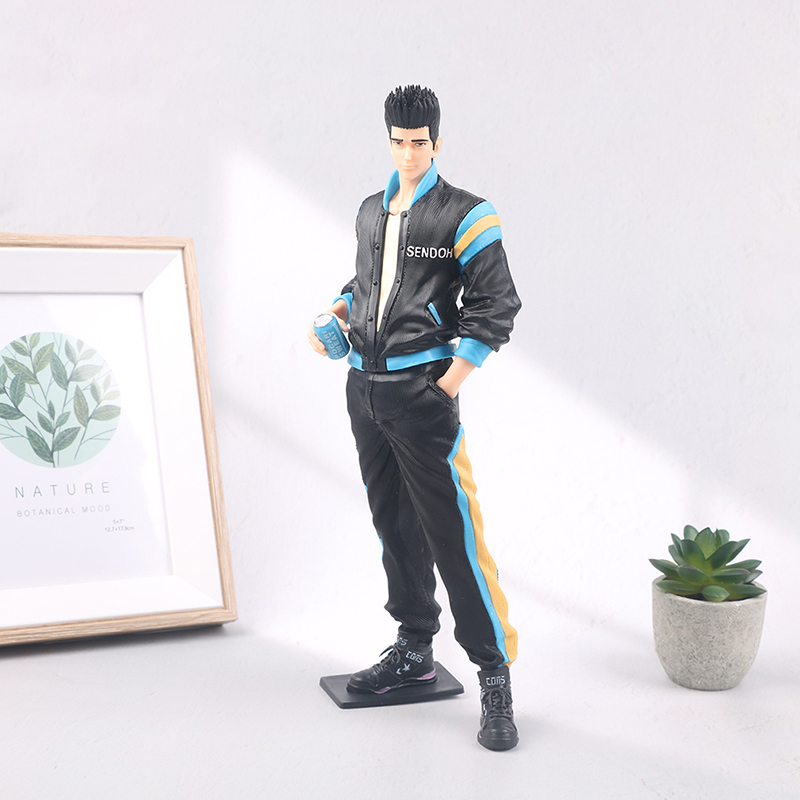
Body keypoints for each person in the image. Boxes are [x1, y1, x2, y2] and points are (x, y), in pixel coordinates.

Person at [308, 85, 522, 751]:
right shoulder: (370, 211)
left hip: (421, 395)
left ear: (436, 142)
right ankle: (414, 649)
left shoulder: (467, 213)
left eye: (419, 142)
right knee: (394, 527)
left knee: (453, 535)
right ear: (388, 140)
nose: (408, 153)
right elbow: (364, 285)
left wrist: (447, 384)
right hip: (364, 390)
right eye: (399, 141)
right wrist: (334, 316)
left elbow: (497, 303)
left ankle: (494, 674)